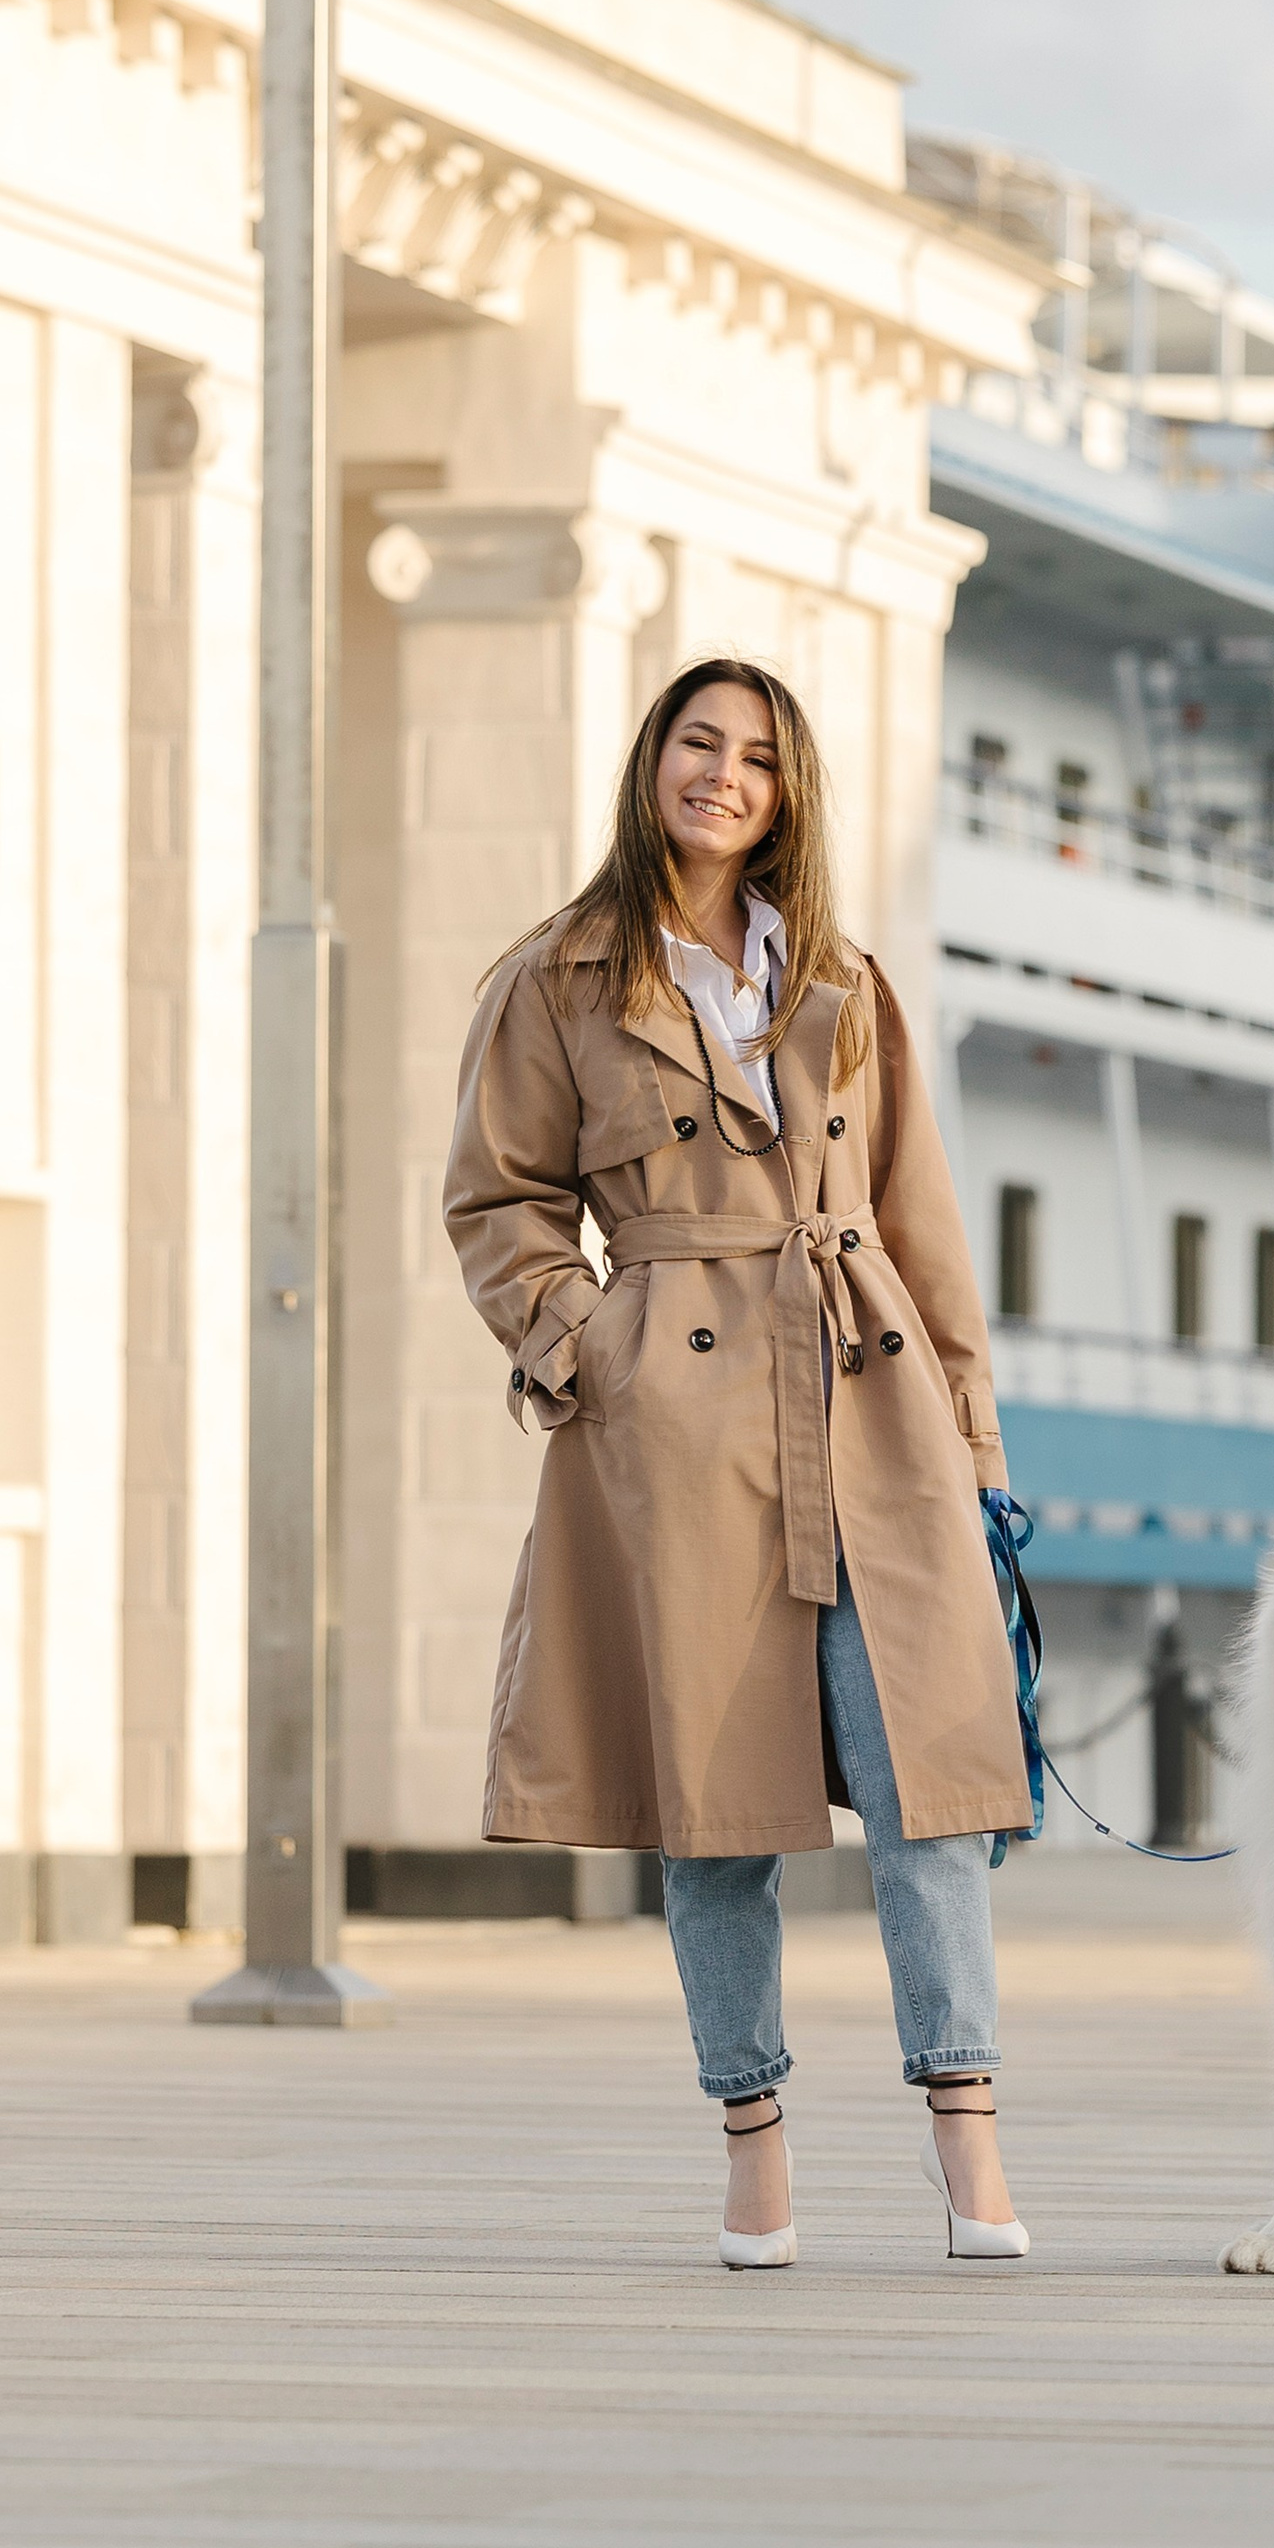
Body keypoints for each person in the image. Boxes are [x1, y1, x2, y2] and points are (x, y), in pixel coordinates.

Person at [444, 655, 1034, 2270]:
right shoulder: (556, 981)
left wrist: (975, 1446)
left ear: (789, 794)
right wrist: (587, 1350)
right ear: (653, 763)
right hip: (680, 1431)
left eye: (758, 757)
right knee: (715, 1811)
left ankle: (968, 2148)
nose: (724, 775)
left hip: (870, 1402)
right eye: (699, 743)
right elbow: (495, 1204)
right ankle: (754, 2148)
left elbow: (922, 1226)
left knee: (931, 1787)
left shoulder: (844, 980)